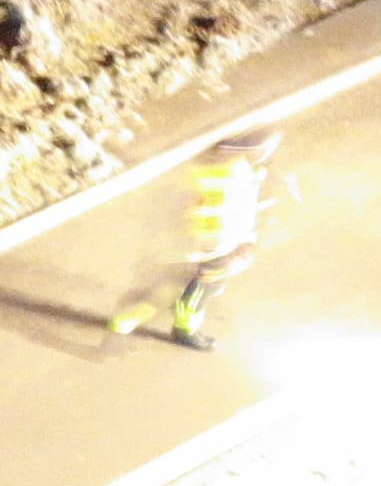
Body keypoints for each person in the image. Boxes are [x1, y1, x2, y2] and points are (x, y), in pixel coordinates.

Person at [111, 126, 282, 351]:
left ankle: (126, 322)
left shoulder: (230, 168)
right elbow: (217, 215)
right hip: (207, 246)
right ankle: (181, 329)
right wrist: (233, 244)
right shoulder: (222, 174)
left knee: (175, 287)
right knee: (196, 286)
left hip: (202, 244)